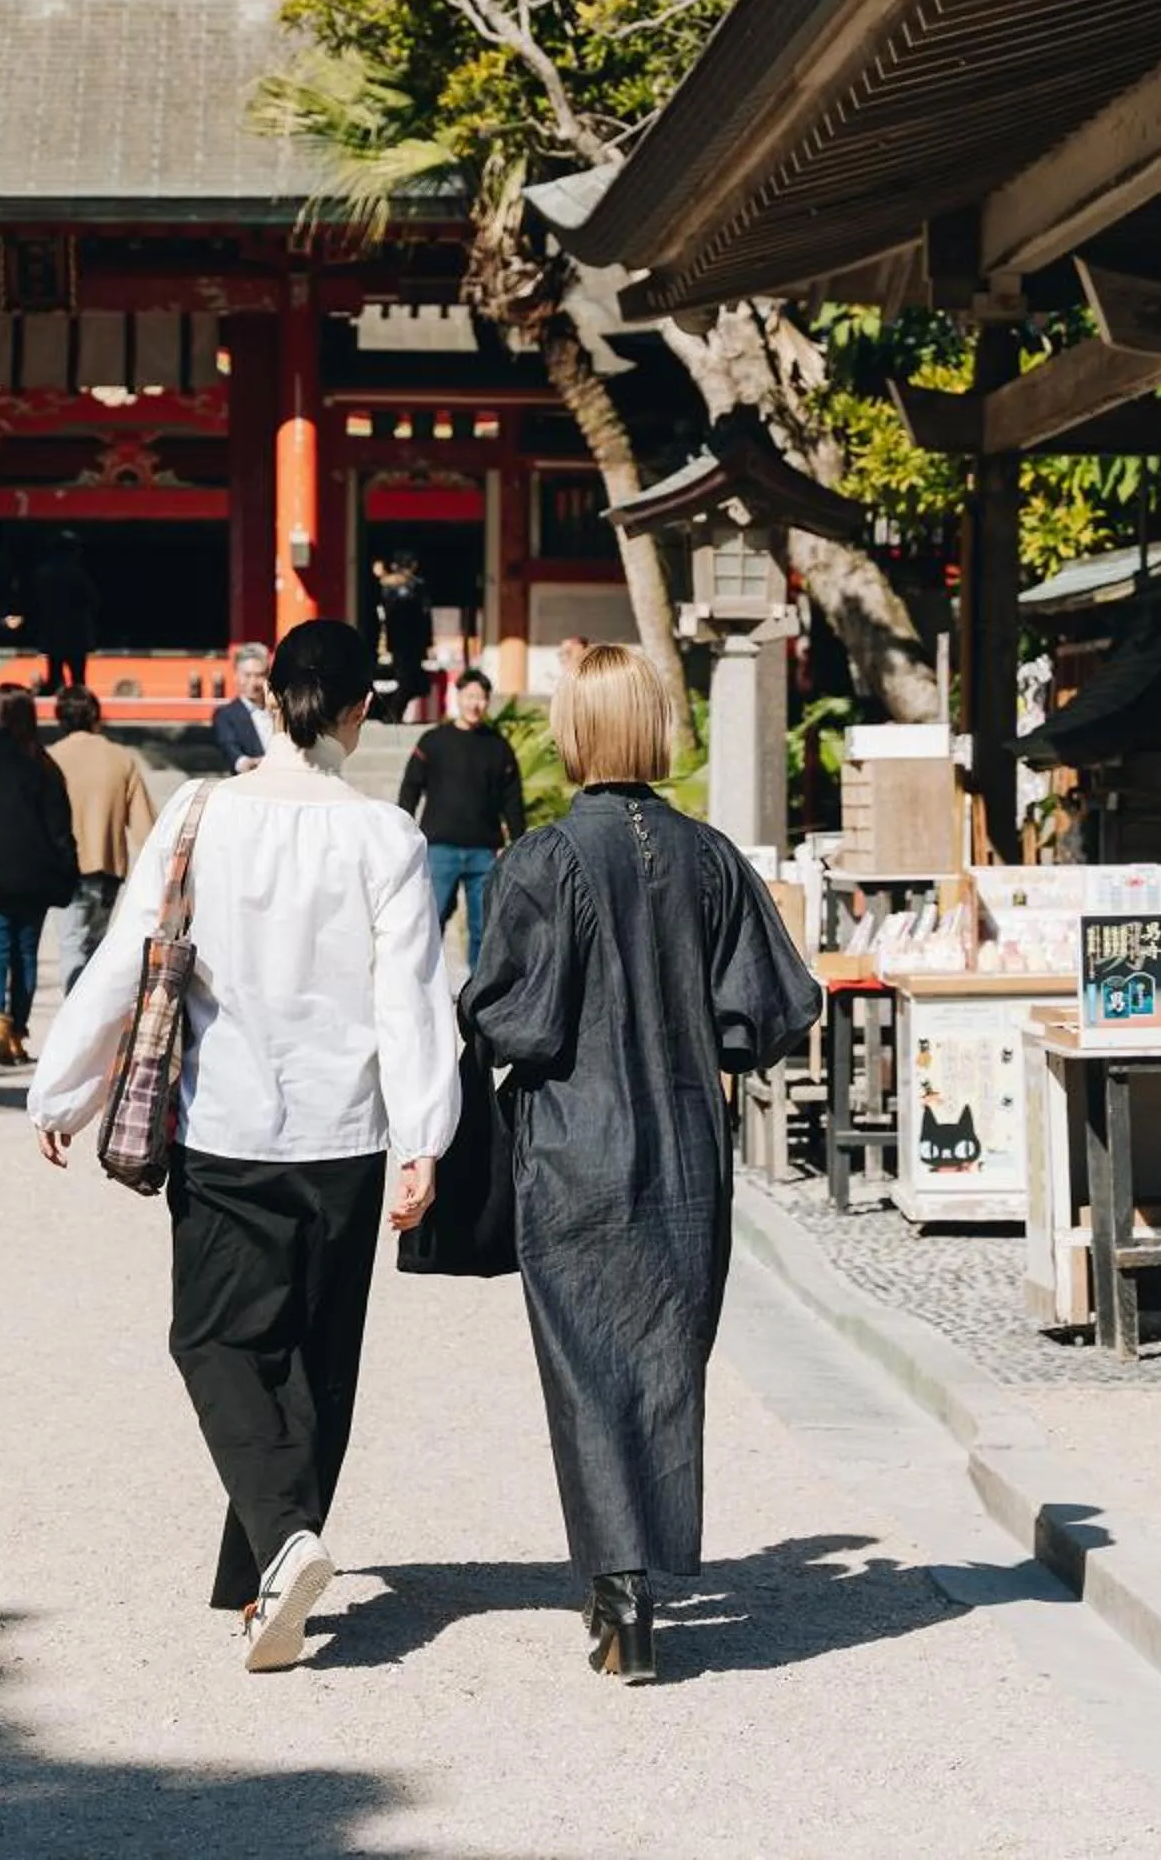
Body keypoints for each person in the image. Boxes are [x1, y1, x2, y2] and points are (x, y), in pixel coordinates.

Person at [28, 618, 458, 1673]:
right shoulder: (385, 837)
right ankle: (266, 1568)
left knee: (216, 1340)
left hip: (227, 1121)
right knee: (318, 1355)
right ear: (362, 711)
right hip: (346, 1133)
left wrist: (64, 1088)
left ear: (268, 698)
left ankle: (282, 1544)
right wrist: (424, 1137)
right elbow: (411, 1000)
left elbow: (132, 956)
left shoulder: (200, 812)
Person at [461, 643, 821, 1685]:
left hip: (573, 1141)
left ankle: (618, 1589)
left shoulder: (541, 859)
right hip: (687, 1147)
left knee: (586, 1369)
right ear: (654, 728)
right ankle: (642, 1573)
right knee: (667, 1359)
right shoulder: (710, 857)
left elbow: (514, 1020)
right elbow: (769, 1009)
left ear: (575, 731)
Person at [0, 687, 78, 1066]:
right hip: (32, 879)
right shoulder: (42, 765)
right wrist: (68, 869)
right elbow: (59, 828)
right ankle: (18, 1034)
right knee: (25, 956)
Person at [398, 669, 525, 962]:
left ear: (487, 701)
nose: (475, 704)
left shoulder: (499, 747)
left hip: (485, 852)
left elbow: (512, 799)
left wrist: (517, 843)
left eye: (481, 698)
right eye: (469, 696)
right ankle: (424, 981)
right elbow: (410, 787)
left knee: (484, 928)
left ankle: (478, 988)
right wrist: (404, 828)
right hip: (440, 849)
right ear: (458, 697)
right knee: (432, 921)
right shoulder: (433, 741)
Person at [47, 685, 156, 989]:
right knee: (96, 948)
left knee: (71, 944)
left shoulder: (50, 759)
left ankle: (75, 1009)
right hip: (108, 866)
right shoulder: (120, 758)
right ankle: (92, 1010)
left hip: (65, 867)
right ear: (96, 716)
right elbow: (145, 825)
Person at [31, 532, 100, 693]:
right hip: (76, 633)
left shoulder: (43, 572)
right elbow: (93, 600)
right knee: (78, 679)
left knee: (54, 677)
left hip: (52, 632)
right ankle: (79, 703)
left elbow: (34, 601)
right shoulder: (77, 574)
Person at [374, 553, 433, 720]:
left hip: (398, 641)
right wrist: (427, 641)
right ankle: (392, 711)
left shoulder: (386, 587)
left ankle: (391, 711)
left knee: (405, 678)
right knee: (409, 680)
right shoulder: (417, 586)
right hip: (412, 641)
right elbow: (425, 615)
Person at [209, 643, 279, 773]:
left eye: (259, 675)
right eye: (247, 675)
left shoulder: (280, 710)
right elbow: (229, 747)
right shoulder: (225, 714)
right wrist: (245, 763)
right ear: (236, 675)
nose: (253, 682)